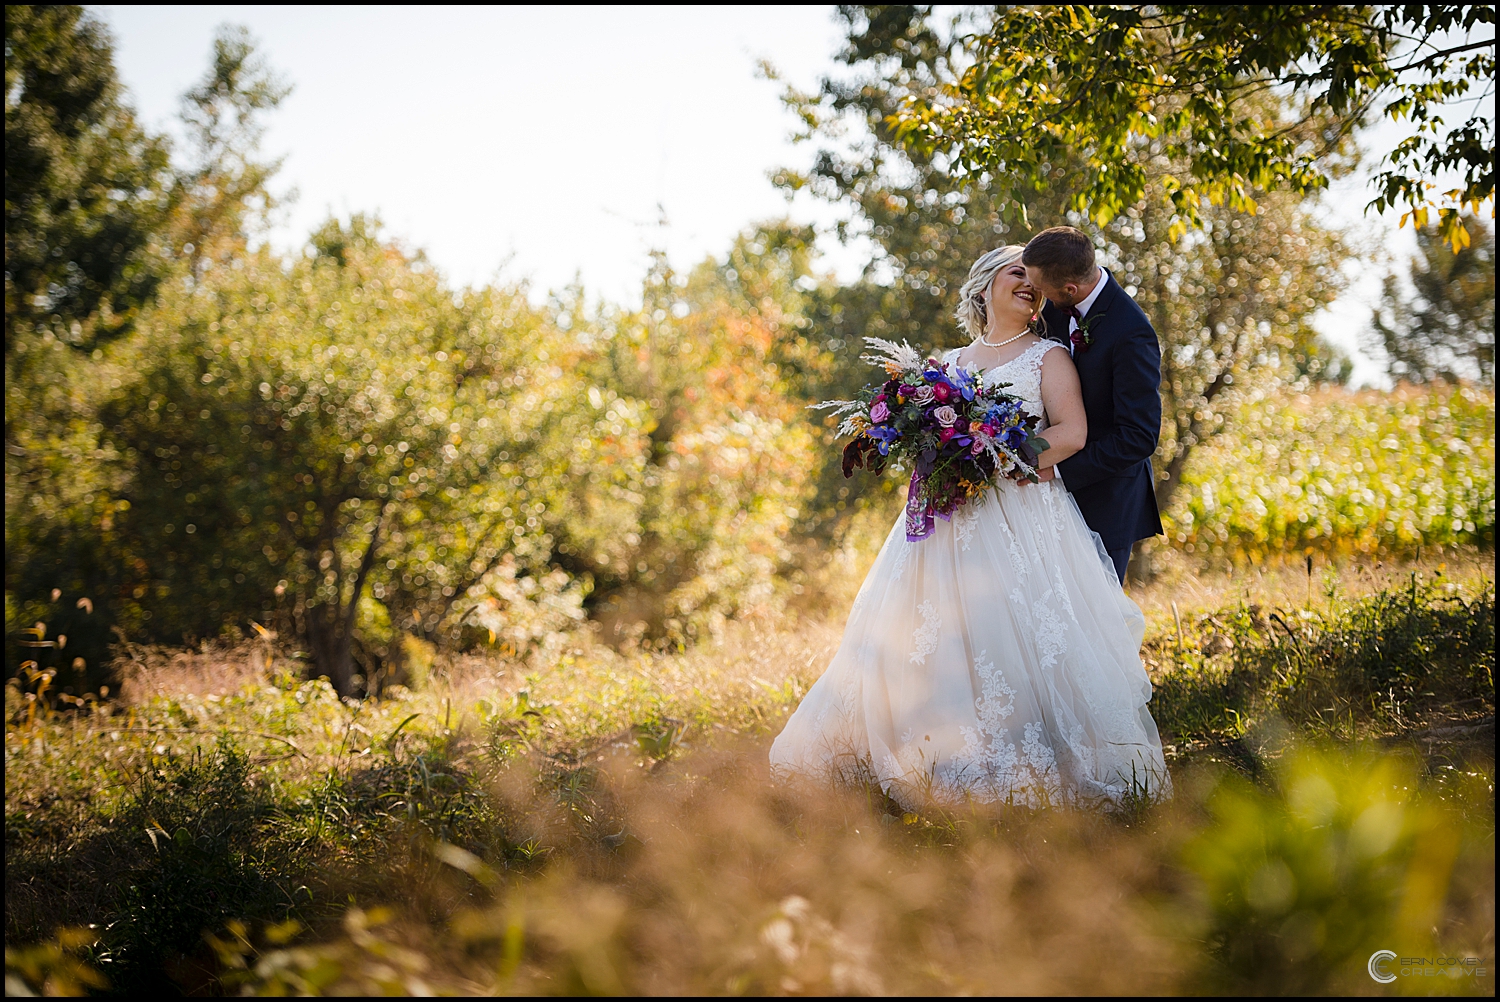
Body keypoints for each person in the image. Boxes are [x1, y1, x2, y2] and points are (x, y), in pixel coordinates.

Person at [769, 243, 1170, 809]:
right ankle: (924, 748)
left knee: (1016, 634)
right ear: (984, 287)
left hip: (1023, 513)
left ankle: (1029, 759)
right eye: (1016, 274)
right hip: (949, 518)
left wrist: (1002, 454)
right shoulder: (947, 364)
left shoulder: (1050, 355)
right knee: (936, 634)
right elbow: (929, 442)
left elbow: (1073, 434)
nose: (1028, 284)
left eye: (1033, 279)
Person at [1021, 226, 1164, 583]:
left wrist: (1057, 470)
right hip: (1047, 504)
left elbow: (1139, 436)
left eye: (1042, 291)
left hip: (1107, 500)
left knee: (1099, 621)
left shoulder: (1132, 332)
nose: (1037, 298)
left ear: (1070, 289)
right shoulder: (1058, 307)